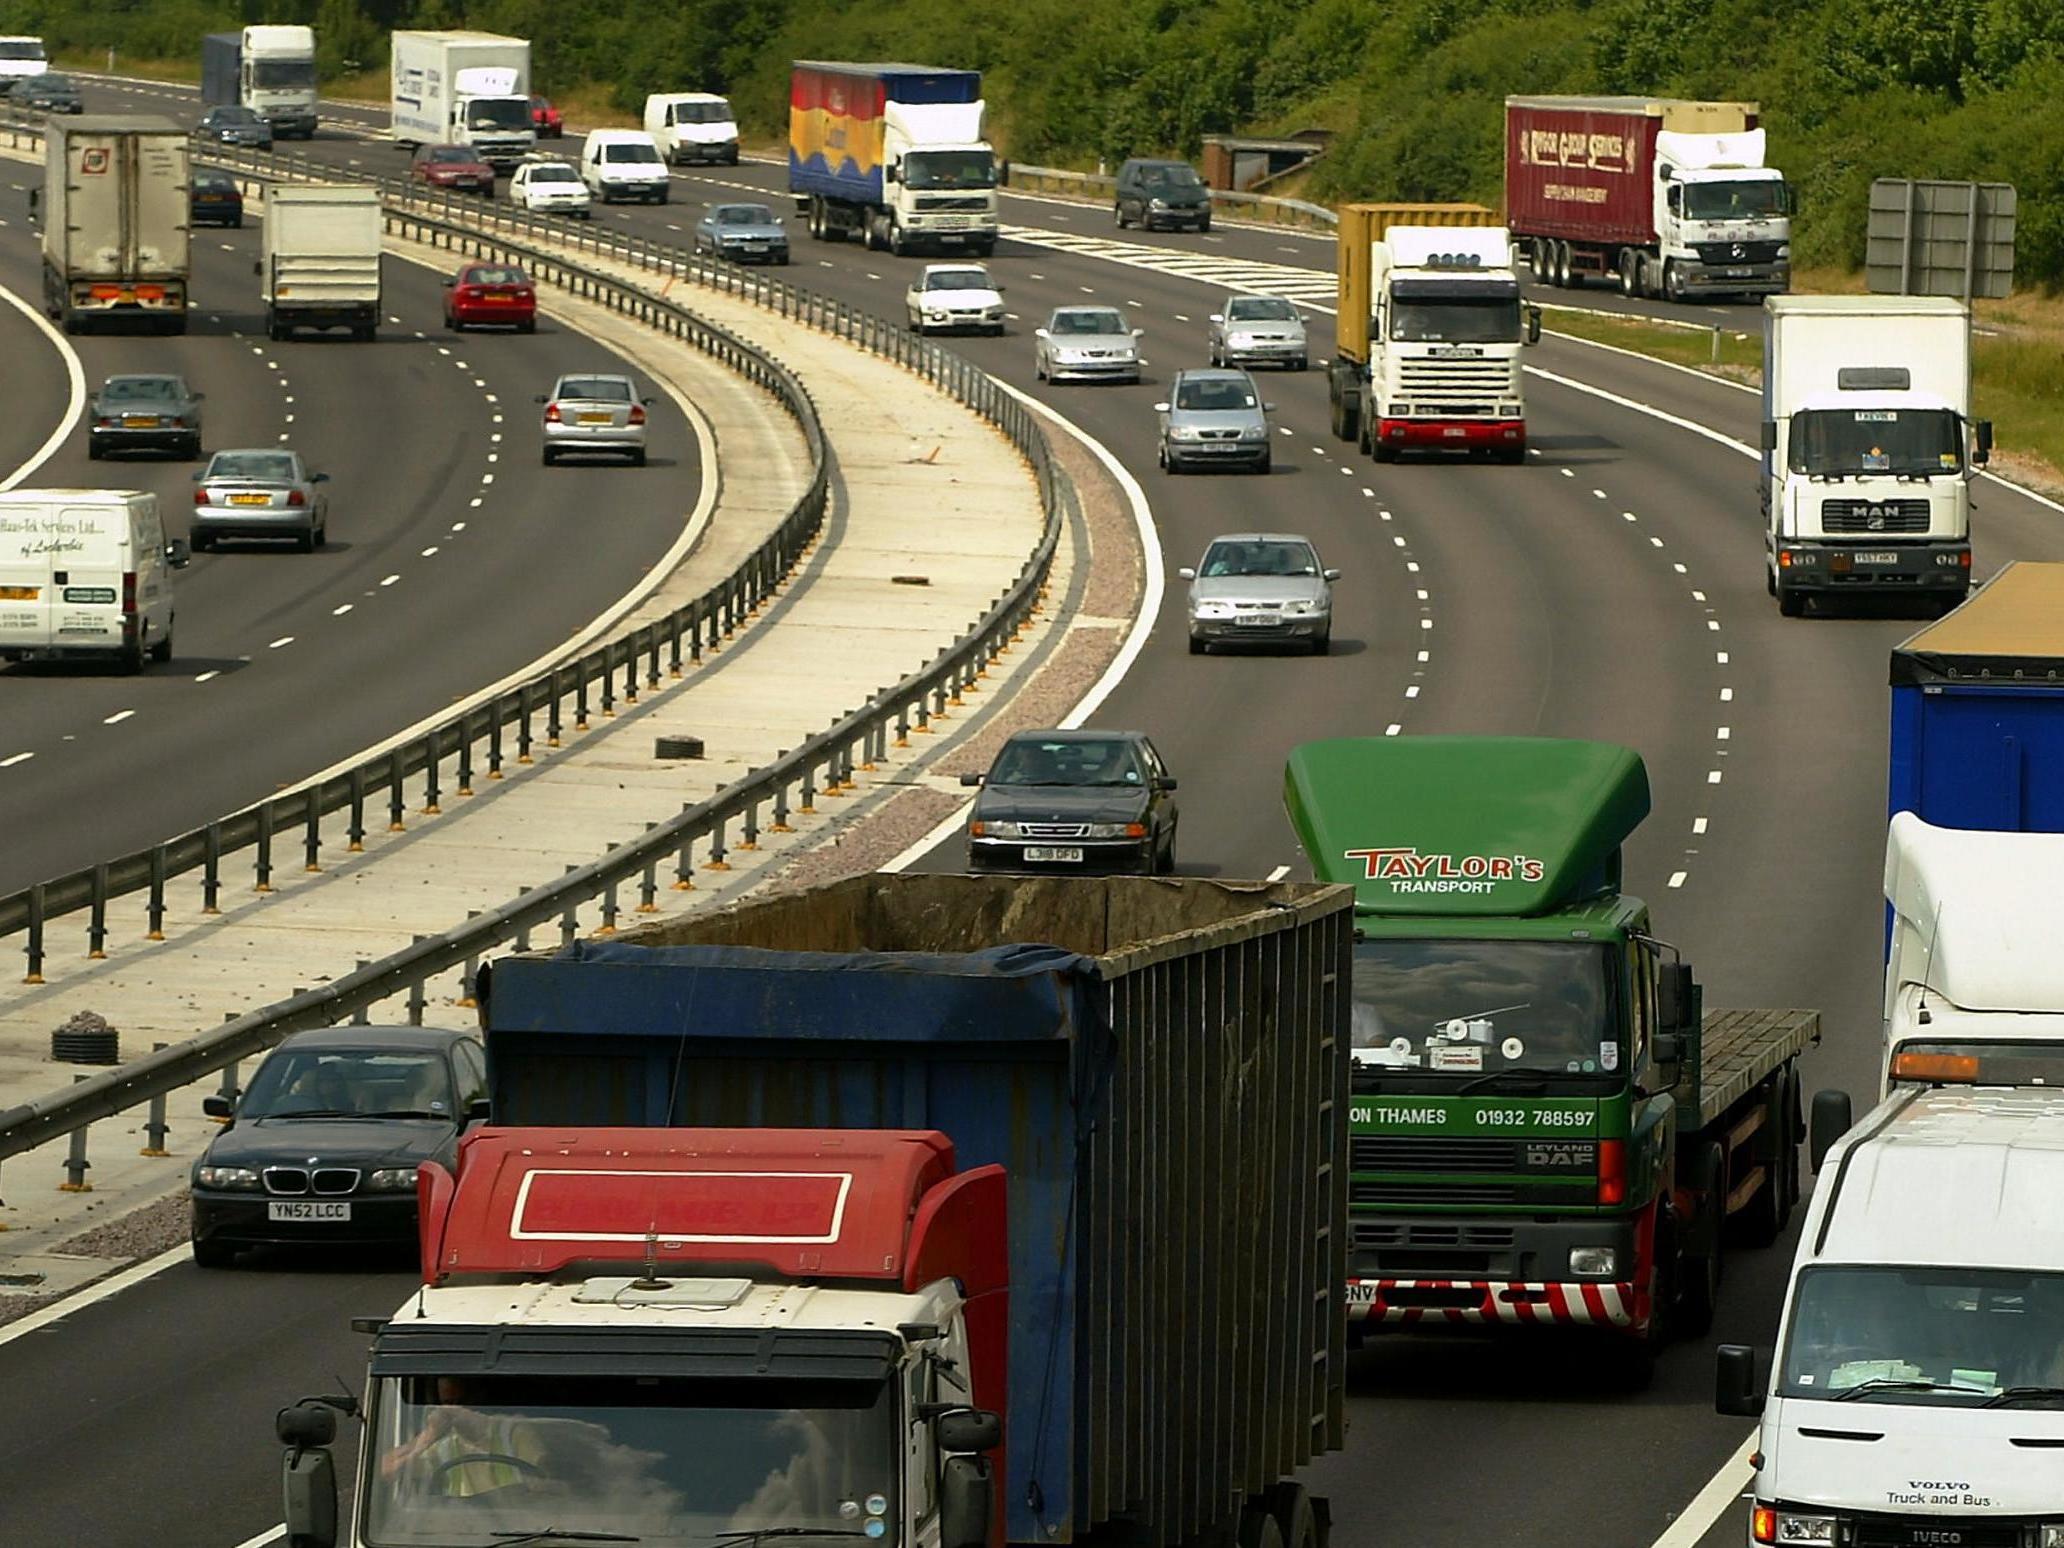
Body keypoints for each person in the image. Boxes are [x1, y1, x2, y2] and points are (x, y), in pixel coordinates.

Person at [380, 1378, 549, 1498]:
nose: (457, 1409)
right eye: (449, 1403)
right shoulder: (443, 1447)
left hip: (518, 1527)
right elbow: (387, 1471)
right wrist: (428, 1437)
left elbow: (551, 1478)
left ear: (479, 1398)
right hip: (463, 1530)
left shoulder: (513, 1431)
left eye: (463, 1401)